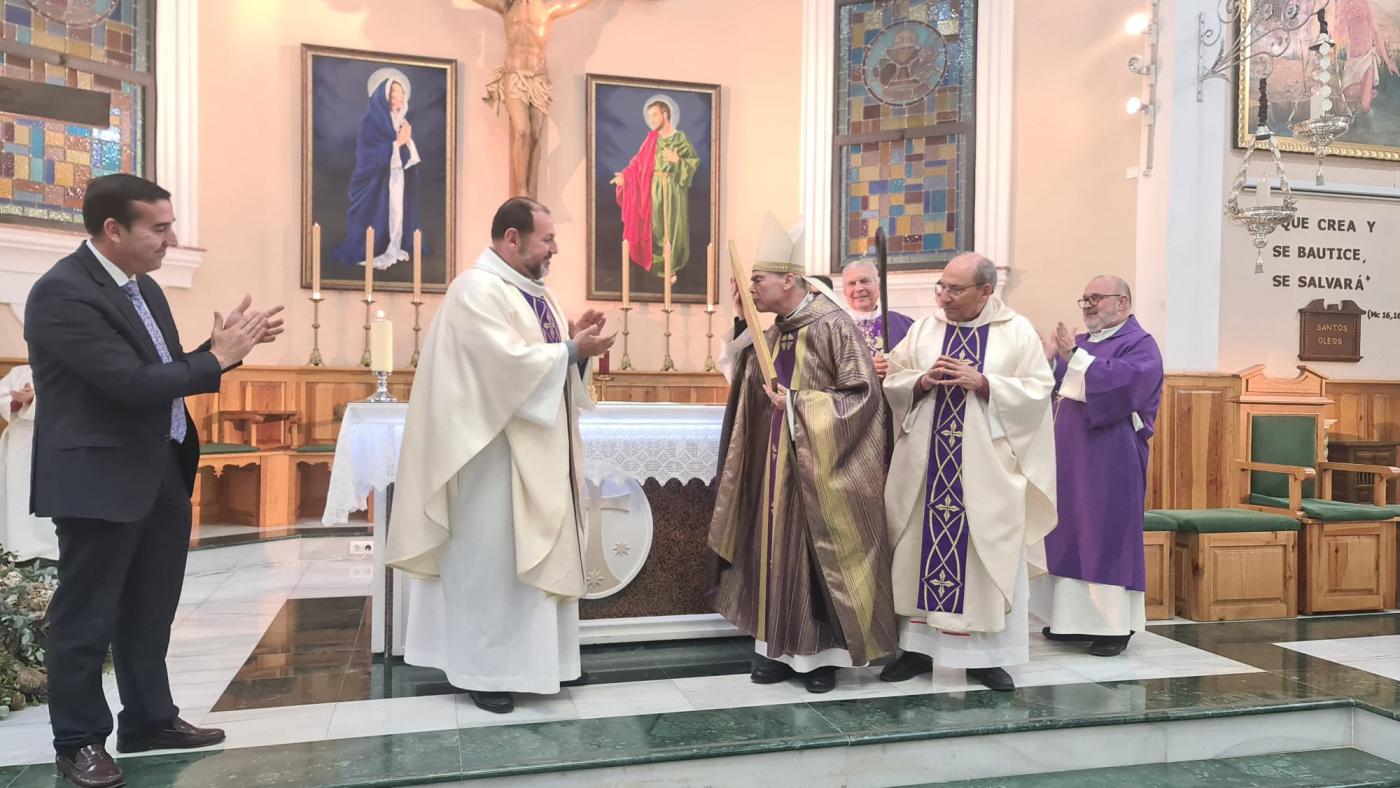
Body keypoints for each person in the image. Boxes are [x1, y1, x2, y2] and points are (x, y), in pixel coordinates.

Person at [25, 173, 283, 788]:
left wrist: (222, 348)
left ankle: (149, 719)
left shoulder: (143, 289)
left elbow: (161, 373)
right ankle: (78, 742)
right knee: (85, 618)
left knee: (150, 609)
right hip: (98, 477)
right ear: (113, 229)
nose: (171, 240)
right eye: (159, 229)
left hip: (159, 467)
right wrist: (216, 357)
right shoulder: (63, 292)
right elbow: (129, 384)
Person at [387, 196, 615, 715]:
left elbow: (542, 364)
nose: (554, 248)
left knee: (534, 558)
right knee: (491, 567)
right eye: (547, 239)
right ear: (513, 238)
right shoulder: (476, 290)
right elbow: (500, 366)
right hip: (489, 459)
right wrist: (571, 351)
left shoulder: (538, 294)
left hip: (537, 455)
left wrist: (573, 348)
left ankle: (546, 663)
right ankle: (484, 671)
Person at [709, 213, 897, 694]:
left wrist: (798, 405)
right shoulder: (776, 330)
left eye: (758, 279)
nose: (750, 287)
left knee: (814, 561)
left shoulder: (833, 325)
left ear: (789, 280)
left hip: (821, 469)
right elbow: (748, 380)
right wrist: (743, 322)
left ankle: (818, 660)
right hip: (775, 468)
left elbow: (864, 397)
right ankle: (773, 650)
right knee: (772, 552)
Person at [879, 253, 1056, 692]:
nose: (944, 297)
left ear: (985, 291)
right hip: (926, 470)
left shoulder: (1016, 332)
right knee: (915, 554)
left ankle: (984, 658)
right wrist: (920, 382)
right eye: (941, 287)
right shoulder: (925, 329)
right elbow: (895, 378)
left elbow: (1038, 391)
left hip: (986, 472)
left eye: (955, 289)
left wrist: (986, 384)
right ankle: (916, 649)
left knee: (981, 559)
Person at [1037, 276, 1163, 657]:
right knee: (1069, 532)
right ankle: (1070, 621)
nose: (1089, 305)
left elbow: (1125, 386)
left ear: (1122, 303)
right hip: (1071, 455)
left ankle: (1111, 628)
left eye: (1097, 298)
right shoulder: (1084, 343)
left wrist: (1074, 357)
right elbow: (1059, 386)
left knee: (1105, 534)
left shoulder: (1140, 344)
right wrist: (1049, 360)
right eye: (1085, 299)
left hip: (1112, 456)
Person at [472, 0, 597, 197]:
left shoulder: (548, 10)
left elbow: (578, 3)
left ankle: (530, 191)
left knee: (536, 136)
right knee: (522, 131)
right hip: (514, 75)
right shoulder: (507, 7)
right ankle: (521, 189)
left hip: (539, 77)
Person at [329, 73, 425, 269]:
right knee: (381, 214)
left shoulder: (402, 121)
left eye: (402, 92)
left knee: (398, 212)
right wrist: (398, 143)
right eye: (395, 92)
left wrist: (407, 141)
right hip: (376, 181)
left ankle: (394, 246)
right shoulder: (370, 121)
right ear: (385, 97)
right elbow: (367, 153)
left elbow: (409, 156)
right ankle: (377, 248)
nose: (400, 96)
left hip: (397, 178)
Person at [612, 98, 701, 281]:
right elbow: (638, 163)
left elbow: (693, 163)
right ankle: (658, 265)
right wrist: (625, 178)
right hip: (653, 191)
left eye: (654, 115)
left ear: (665, 114)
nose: (651, 120)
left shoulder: (680, 138)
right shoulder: (651, 139)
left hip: (674, 190)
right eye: (649, 116)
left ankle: (672, 266)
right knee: (655, 228)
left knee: (673, 227)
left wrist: (677, 161)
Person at [0, 364, 57, 561]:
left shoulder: (63, 367)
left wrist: (33, 399)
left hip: (50, 440)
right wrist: (16, 401)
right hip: (18, 442)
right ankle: (17, 548)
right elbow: (3, 396)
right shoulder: (20, 371)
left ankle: (49, 551)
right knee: (18, 494)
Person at [843, 259, 914, 361]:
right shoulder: (833, 326)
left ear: (879, 288)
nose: (858, 288)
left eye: (864, 281)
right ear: (845, 292)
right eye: (852, 283)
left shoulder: (903, 324)